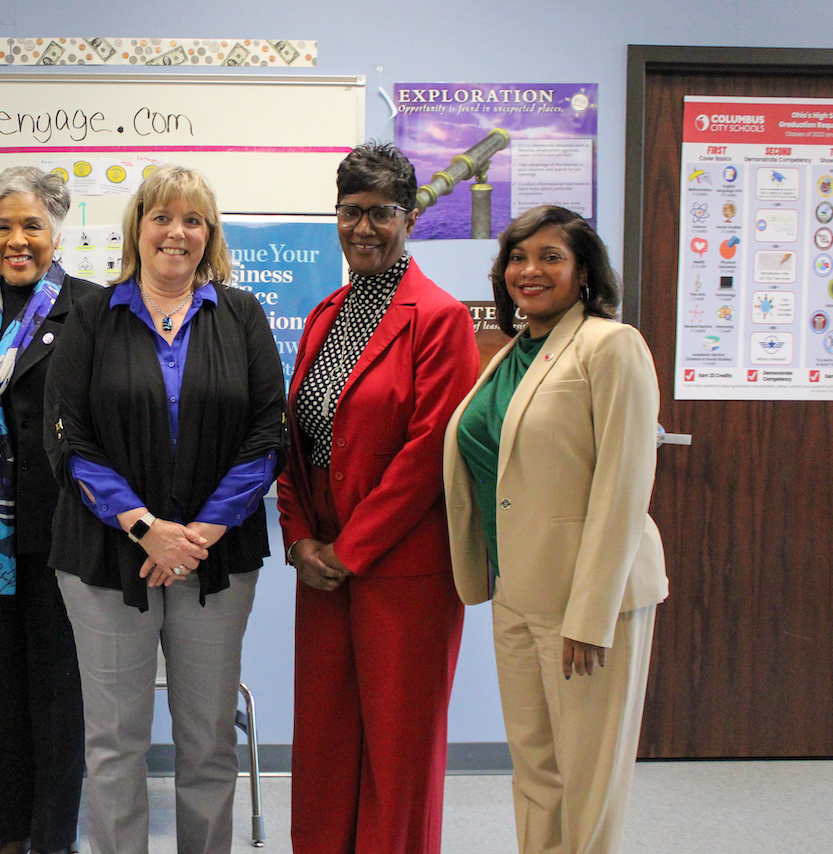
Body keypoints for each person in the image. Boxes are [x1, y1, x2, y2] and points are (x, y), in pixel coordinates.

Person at [45, 164, 285, 854]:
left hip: (215, 561)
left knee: (207, 740)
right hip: (104, 560)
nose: (175, 232)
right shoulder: (89, 315)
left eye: (192, 220)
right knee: (115, 744)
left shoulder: (241, 317)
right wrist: (148, 530)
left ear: (209, 236)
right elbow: (68, 438)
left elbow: (269, 433)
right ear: (137, 229)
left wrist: (199, 534)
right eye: (161, 217)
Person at [443, 205, 667, 854]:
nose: (529, 270)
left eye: (550, 257)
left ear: (585, 273)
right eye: (518, 257)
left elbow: (623, 486)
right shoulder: (517, 351)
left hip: (587, 600)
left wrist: (588, 615)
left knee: (587, 780)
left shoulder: (611, 345)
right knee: (537, 772)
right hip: (517, 591)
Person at [277, 142, 478, 854]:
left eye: (381, 213)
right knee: (326, 749)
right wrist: (301, 540)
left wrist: (348, 550)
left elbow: (428, 455)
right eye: (350, 212)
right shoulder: (323, 315)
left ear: (409, 217)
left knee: (399, 758)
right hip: (322, 573)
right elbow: (292, 441)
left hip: (404, 574)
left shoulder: (441, 318)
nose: (363, 228)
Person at [0, 166, 99, 854]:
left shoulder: (91, 308)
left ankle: (52, 838)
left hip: (65, 532)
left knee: (58, 698)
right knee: (3, 689)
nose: (17, 240)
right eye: (3, 226)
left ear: (57, 232)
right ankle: (12, 835)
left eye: (31, 226)